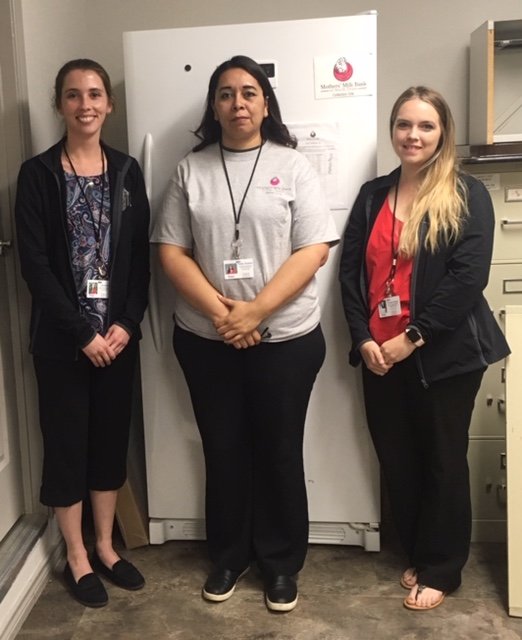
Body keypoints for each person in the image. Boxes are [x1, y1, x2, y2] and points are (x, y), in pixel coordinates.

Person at [151, 55, 339, 612]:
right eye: (227, 94)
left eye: (249, 93)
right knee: (224, 449)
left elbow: (313, 250)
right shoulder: (191, 169)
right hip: (208, 340)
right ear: (214, 105)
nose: (239, 104)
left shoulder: (293, 166)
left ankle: (281, 564)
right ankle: (230, 555)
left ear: (265, 104)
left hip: (286, 338)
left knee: (279, 451)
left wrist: (255, 312)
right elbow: (171, 251)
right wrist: (224, 315)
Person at [339, 86, 509, 611]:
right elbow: (349, 273)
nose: (413, 135)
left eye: (426, 126)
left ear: (443, 133)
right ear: (393, 130)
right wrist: (365, 338)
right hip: (378, 354)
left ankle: (442, 567)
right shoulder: (372, 195)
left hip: (443, 354)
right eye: (404, 125)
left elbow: (466, 278)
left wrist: (410, 339)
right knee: (399, 458)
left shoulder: (465, 193)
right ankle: (418, 548)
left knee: (441, 459)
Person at [15, 59, 150, 607]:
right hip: (63, 345)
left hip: (117, 341)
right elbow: (35, 266)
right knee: (68, 447)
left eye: (95, 94)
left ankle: (105, 545)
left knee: (108, 445)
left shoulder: (127, 171)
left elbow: (139, 259)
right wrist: (81, 333)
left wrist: (125, 323)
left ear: (109, 104)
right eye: (73, 95)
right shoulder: (37, 174)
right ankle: (75, 555)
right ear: (59, 104)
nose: (86, 104)